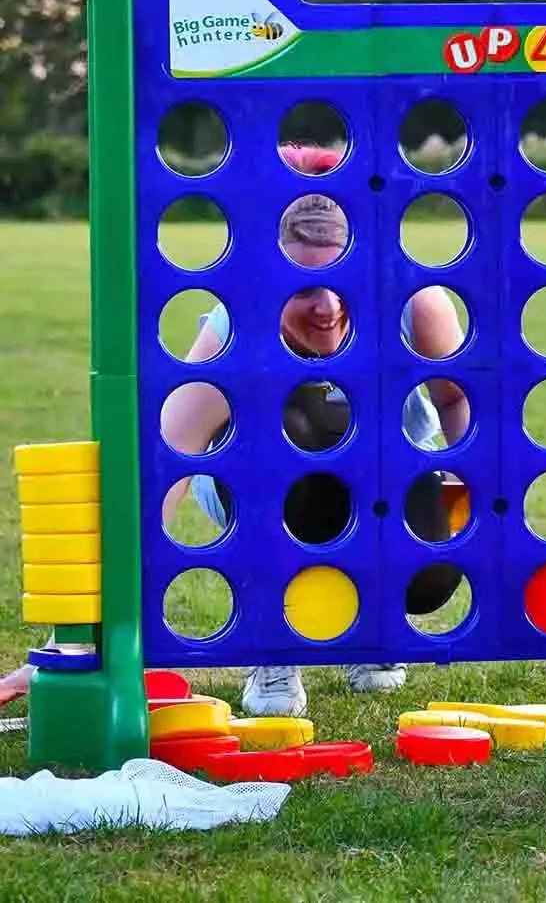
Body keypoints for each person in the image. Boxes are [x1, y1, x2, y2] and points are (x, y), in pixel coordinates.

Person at [160, 142, 470, 716]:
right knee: (298, 428)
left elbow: (457, 404)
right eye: (302, 289)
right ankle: (273, 642)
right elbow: (170, 456)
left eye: (340, 281)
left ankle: (374, 627)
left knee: (431, 557)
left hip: (390, 471)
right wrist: (95, 626)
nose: (327, 308)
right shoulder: (235, 327)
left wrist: (459, 495)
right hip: (256, 482)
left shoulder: (416, 302)